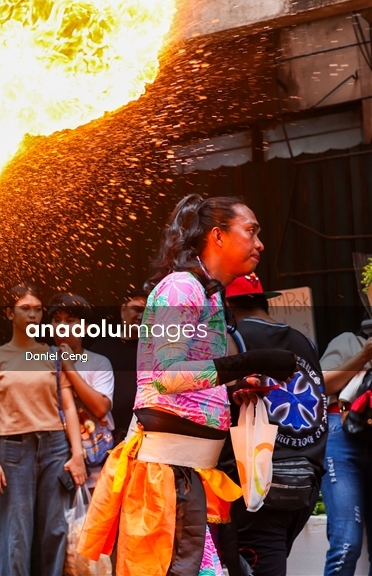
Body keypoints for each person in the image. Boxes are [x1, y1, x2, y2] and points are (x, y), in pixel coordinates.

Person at [78, 194, 297, 576]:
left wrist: (233, 387)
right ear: (218, 236)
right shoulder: (181, 287)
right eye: (251, 231)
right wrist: (251, 361)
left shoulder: (209, 295)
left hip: (191, 477)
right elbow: (167, 374)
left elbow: (193, 378)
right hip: (166, 479)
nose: (259, 244)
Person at [218, 273, 326, 576]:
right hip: (303, 482)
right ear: (265, 299)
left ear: (227, 305)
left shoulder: (233, 338)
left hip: (258, 486)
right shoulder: (305, 341)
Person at [0, 283, 86, 576]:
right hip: (14, 450)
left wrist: (77, 454)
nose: (33, 315)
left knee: (55, 530)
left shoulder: (51, 355)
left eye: (38, 310)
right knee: (15, 536)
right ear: (9, 314)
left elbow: (68, 406)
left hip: (55, 448)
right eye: (25, 309)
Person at [319, 270, 372, 576]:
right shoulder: (349, 342)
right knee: (347, 543)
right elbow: (321, 386)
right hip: (342, 436)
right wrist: (365, 355)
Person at [49, 293, 115, 491]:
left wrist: (69, 367)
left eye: (70, 321)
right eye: (56, 320)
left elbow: (101, 407)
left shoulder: (98, 362)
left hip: (95, 461)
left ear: (85, 328)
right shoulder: (41, 358)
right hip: (55, 458)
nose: (62, 326)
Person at [91, 288, 147, 442]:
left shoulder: (154, 353)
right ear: (123, 310)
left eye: (147, 311)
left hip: (145, 437)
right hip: (103, 437)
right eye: (136, 309)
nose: (141, 316)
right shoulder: (100, 350)